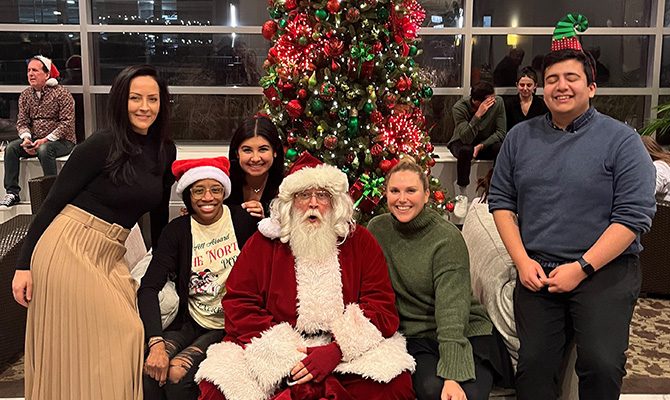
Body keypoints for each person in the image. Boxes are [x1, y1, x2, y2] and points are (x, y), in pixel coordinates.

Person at [488, 14, 656, 400]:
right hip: (539, 269)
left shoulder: (622, 141)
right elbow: (501, 202)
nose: (560, 86)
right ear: (543, 88)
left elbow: (632, 218)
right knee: (532, 369)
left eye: (571, 79)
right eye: (552, 80)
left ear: (591, 88)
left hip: (604, 271)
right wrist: (522, 261)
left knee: (601, 362)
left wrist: (581, 269)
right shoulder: (519, 138)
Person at [11, 64, 177, 400]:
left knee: (126, 338)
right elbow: (52, 203)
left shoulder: (164, 150)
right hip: (69, 246)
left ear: (162, 104)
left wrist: (166, 263)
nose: (144, 107)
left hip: (110, 254)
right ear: (120, 101)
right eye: (135, 98)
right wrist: (23, 265)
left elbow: (159, 216)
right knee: (123, 334)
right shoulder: (103, 143)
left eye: (152, 99)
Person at [195, 152, 416, 400]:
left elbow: (381, 306)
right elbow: (239, 303)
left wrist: (337, 350)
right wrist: (290, 352)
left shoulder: (360, 241)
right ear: (290, 202)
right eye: (303, 195)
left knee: (394, 385)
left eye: (322, 195)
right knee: (218, 389)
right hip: (277, 350)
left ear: (334, 202)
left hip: (345, 353)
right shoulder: (264, 243)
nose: (313, 203)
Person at [367, 159, 513, 400]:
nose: (402, 199)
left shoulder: (446, 239)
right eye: (395, 191)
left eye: (411, 191)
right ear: (386, 194)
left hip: (464, 330)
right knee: (431, 390)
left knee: (469, 394)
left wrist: (452, 375)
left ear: (426, 195)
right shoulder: (377, 229)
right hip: (416, 335)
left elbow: (452, 312)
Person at [139, 156, 258, 400]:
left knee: (176, 374)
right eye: (199, 190)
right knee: (151, 370)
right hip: (190, 320)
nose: (207, 198)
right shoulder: (177, 231)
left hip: (229, 325)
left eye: (215, 190)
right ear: (188, 195)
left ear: (224, 192)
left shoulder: (242, 222)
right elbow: (148, 288)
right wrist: (156, 343)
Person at [1, 55, 76, 208]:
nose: (30, 74)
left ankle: (52, 193)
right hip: (35, 139)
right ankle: (12, 192)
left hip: (62, 141)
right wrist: (27, 138)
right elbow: (22, 122)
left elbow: (67, 123)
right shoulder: (26, 95)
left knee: (44, 149)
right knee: (11, 148)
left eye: (35, 70)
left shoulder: (62, 94)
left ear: (47, 74)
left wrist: (46, 139)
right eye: (29, 70)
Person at [448, 81, 506, 189]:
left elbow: (501, 132)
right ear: (478, 102)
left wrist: (481, 145)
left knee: (500, 147)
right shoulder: (459, 108)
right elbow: (466, 138)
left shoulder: (498, 103)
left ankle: (495, 188)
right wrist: (478, 115)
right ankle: (462, 193)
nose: (493, 101)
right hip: (462, 141)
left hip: (485, 142)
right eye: (490, 99)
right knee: (465, 150)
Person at [224, 114, 284, 218]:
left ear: (275, 151)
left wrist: (265, 221)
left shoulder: (287, 186)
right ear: (237, 153)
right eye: (247, 150)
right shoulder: (224, 183)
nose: (255, 158)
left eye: (263, 149)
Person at [504, 67, 548, 132]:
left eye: (529, 85)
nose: (525, 88)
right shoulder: (508, 104)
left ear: (535, 86)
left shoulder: (542, 104)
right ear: (517, 85)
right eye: (522, 85)